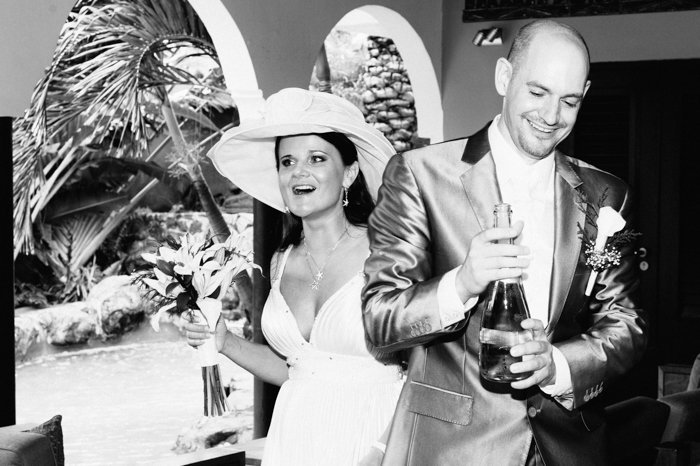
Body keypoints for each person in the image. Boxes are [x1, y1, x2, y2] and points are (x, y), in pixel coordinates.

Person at [361, 19, 647, 466]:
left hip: (568, 448)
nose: (551, 116)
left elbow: (625, 323)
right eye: (537, 92)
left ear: (585, 95)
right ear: (503, 77)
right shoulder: (419, 174)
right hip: (452, 450)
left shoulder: (607, 195)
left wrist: (557, 365)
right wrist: (462, 282)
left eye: (569, 100)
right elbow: (381, 319)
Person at [183, 87, 402, 466]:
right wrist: (225, 341)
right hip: (296, 440)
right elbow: (299, 370)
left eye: (317, 158)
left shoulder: (387, 251)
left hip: (375, 439)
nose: (299, 171)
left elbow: (427, 369)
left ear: (349, 173)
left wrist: (383, 450)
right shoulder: (281, 261)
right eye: (287, 162)